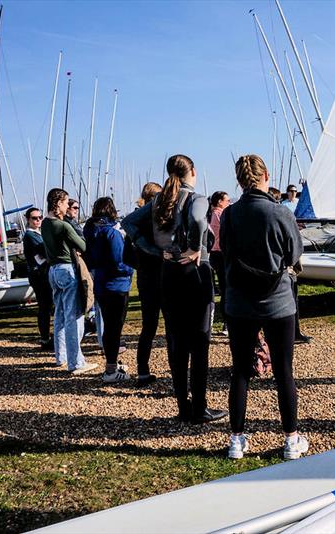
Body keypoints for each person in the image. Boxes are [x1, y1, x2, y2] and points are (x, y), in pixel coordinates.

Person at [123, 155, 227, 423]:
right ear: (192, 171)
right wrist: (194, 247)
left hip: (168, 274)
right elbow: (197, 219)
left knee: (176, 342)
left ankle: (183, 406)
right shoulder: (197, 198)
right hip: (195, 274)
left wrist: (155, 250)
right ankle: (200, 407)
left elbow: (129, 223)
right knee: (200, 342)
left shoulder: (158, 200)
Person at [221, 154, 308, 460]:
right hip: (278, 300)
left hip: (240, 300)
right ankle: (291, 438)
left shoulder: (229, 215)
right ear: (265, 176)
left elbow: (227, 252)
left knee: (241, 372)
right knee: (284, 371)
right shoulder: (280, 212)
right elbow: (294, 253)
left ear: (240, 180)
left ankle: (237, 438)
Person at [41, 188, 97, 374]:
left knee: (60, 315)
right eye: (65, 202)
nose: (67, 206)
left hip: (53, 270)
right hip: (66, 269)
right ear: (58, 203)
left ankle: (61, 357)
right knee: (73, 316)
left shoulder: (45, 224)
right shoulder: (63, 226)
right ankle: (76, 362)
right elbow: (83, 245)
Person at [84, 197, 134, 384]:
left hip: (102, 283)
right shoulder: (111, 233)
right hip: (117, 284)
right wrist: (130, 269)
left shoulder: (91, 231)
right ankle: (111, 369)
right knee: (115, 328)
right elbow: (118, 259)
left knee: (109, 327)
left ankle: (111, 364)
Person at [122, 182, 162, 387]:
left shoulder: (135, 224)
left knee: (148, 326)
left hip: (145, 276)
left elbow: (126, 256)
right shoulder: (156, 221)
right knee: (170, 325)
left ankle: (143, 370)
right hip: (160, 273)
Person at [22, 207, 53, 351]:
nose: (38, 220)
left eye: (40, 217)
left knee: (47, 306)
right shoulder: (30, 235)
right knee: (44, 307)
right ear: (28, 220)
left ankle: (47, 337)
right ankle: (45, 339)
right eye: (34, 218)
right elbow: (44, 250)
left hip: (43, 274)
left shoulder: (38, 233)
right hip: (38, 276)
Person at [208, 190, 230, 335]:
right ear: (220, 201)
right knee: (227, 289)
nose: (228, 203)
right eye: (227, 200)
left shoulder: (209, 214)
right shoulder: (221, 215)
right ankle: (227, 323)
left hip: (213, 254)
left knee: (220, 288)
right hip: (221, 254)